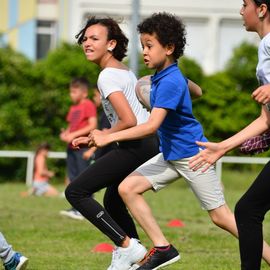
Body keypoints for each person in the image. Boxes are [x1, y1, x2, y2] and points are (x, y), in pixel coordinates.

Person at [88, 12, 270, 270]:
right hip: (171, 155)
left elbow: (151, 126)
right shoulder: (168, 77)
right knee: (127, 188)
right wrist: (178, 85)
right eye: (143, 46)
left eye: (150, 46)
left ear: (170, 48)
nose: (144, 52)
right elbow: (198, 91)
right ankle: (163, 248)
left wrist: (108, 136)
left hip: (193, 156)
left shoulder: (169, 80)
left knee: (223, 217)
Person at [66, 16, 202, 270]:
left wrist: (104, 136)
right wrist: (99, 136)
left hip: (137, 144)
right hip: (145, 143)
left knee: (75, 192)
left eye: (94, 38)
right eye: (85, 38)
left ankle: (127, 246)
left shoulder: (106, 76)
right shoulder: (124, 71)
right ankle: (135, 258)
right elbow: (128, 118)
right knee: (113, 201)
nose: (87, 43)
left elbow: (128, 120)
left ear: (111, 44)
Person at [189, 1, 270, 269]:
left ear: (262, 9)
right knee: (248, 211)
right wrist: (224, 147)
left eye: (245, 4)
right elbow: (265, 118)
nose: (240, 10)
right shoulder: (263, 48)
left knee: (247, 211)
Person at [59, 77, 97, 220]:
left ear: (84, 93)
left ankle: (85, 210)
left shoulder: (88, 105)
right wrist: (66, 134)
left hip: (82, 148)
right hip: (71, 148)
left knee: (83, 179)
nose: (71, 95)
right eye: (71, 92)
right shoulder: (73, 107)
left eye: (74, 92)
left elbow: (92, 125)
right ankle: (76, 208)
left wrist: (74, 134)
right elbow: (71, 126)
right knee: (73, 178)